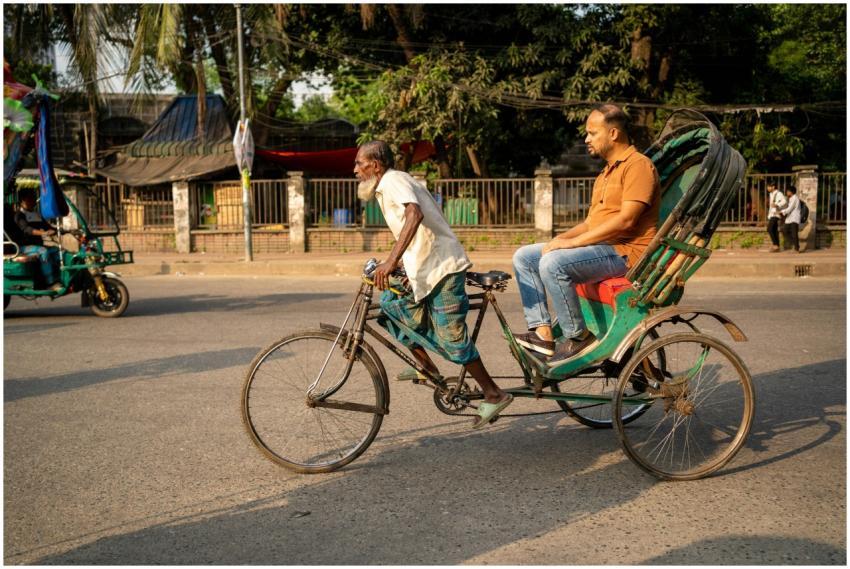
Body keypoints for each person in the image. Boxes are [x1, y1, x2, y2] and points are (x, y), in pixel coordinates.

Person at [354, 140, 512, 428]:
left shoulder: (391, 181)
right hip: (425, 268)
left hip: (442, 269)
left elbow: (415, 214)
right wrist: (398, 263)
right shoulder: (388, 185)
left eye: (359, 164)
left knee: (452, 337)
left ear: (375, 166)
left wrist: (391, 261)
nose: (355, 170)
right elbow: (417, 231)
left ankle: (494, 393)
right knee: (391, 305)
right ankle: (427, 368)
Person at [512, 104, 661, 365]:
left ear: (613, 133)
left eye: (592, 133)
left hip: (625, 254)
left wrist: (570, 245)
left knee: (553, 262)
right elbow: (591, 223)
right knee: (525, 256)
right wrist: (559, 240)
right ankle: (543, 333)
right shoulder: (605, 173)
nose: (586, 139)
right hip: (599, 250)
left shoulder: (638, 166)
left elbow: (626, 221)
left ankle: (578, 337)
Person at [12, 187, 63, 290]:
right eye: (30, 198)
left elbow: (47, 227)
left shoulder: (36, 214)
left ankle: (59, 278)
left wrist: (61, 230)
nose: (33, 200)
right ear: (23, 200)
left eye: (34, 197)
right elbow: (27, 229)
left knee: (57, 251)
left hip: (37, 245)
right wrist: (43, 233)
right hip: (22, 247)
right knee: (43, 251)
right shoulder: (19, 215)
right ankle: (50, 283)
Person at [766, 182, 787, 252]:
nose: (767, 188)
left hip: (776, 214)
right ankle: (777, 246)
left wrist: (777, 205)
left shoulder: (779, 193)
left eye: (769, 186)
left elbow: (784, 201)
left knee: (769, 229)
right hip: (772, 214)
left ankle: (775, 245)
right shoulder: (771, 194)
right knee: (774, 230)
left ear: (773, 187)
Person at [780, 185, 802, 253]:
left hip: (794, 218)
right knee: (784, 230)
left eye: (787, 191)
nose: (786, 192)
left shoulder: (795, 198)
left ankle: (796, 248)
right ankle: (794, 244)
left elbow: (790, 209)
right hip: (790, 218)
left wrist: (782, 212)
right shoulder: (791, 198)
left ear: (791, 192)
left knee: (794, 233)